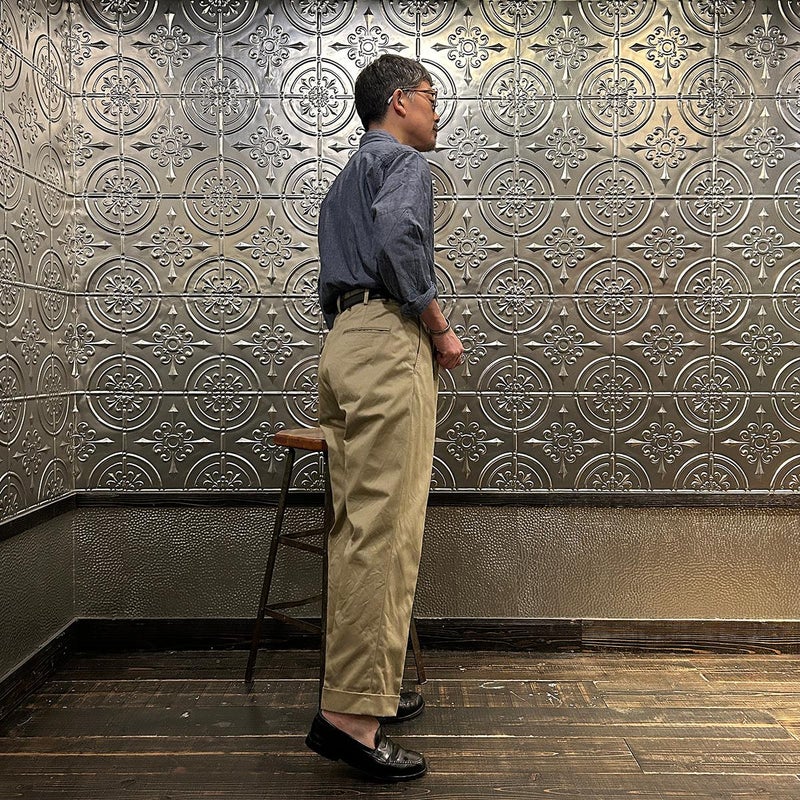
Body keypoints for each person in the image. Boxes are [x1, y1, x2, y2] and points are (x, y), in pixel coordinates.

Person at [305, 54, 464, 782]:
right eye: (429, 96)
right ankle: (351, 719)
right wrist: (437, 326)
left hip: (343, 343)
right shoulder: (403, 164)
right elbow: (401, 241)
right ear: (400, 101)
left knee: (356, 531)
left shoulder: (346, 177)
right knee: (386, 532)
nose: (435, 110)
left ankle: (364, 690)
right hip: (385, 341)